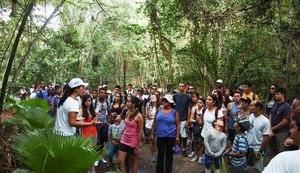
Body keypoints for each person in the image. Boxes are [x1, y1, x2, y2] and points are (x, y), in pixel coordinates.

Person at [150, 94, 180, 173]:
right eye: (163, 100)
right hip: (160, 136)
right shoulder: (159, 110)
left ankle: (168, 171)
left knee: (169, 155)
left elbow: (178, 125)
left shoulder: (174, 112)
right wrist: (152, 134)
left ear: (170, 102)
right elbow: (154, 122)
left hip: (170, 137)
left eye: (165, 100)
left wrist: (177, 137)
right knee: (160, 154)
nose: (163, 102)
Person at [117, 96, 144, 173]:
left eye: (129, 102)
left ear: (134, 104)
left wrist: (138, 146)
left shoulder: (139, 116)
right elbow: (126, 125)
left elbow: (140, 131)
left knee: (133, 162)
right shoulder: (127, 112)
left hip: (133, 142)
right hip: (124, 139)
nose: (126, 103)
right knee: (120, 161)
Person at [247, 100, 270, 172]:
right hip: (248, 147)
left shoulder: (265, 121)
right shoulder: (250, 116)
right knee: (248, 169)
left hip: (257, 149)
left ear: (258, 108)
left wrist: (260, 152)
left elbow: (266, 138)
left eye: (252, 105)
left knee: (257, 169)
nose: (249, 107)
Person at [78, 94, 98, 173]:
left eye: (89, 101)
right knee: (86, 153)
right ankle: (86, 169)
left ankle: (93, 170)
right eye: (86, 101)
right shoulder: (81, 110)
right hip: (85, 134)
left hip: (93, 133)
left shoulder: (93, 111)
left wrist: (96, 118)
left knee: (92, 152)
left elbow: (95, 122)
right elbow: (80, 123)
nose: (88, 102)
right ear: (83, 102)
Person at [269, 87, 291, 155]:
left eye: (278, 94)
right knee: (272, 149)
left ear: (283, 94)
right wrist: (270, 128)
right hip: (272, 131)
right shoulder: (275, 104)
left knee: (281, 151)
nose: (276, 96)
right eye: (275, 94)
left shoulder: (286, 106)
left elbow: (285, 121)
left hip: (282, 132)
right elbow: (270, 115)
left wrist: (273, 128)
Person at [173, 82, 192, 157]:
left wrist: (188, 120)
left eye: (182, 86)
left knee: (183, 135)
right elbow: (173, 107)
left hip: (184, 118)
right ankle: (176, 148)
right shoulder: (175, 96)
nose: (181, 87)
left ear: (185, 87)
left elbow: (189, 108)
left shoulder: (188, 97)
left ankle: (184, 149)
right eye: (179, 86)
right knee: (176, 134)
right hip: (175, 118)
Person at [94, 87, 111, 165]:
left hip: (104, 124)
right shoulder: (94, 102)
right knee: (97, 141)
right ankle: (95, 157)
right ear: (99, 93)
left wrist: (108, 122)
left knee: (102, 141)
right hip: (96, 124)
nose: (103, 94)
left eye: (104, 93)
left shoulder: (107, 102)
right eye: (101, 92)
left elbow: (110, 112)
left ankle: (100, 156)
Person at [189, 97, 206, 163]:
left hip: (202, 129)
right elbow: (190, 119)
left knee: (201, 143)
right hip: (195, 128)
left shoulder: (205, 110)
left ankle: (201, 157)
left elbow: (204, 121)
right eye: (198, 102)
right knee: (195, 143)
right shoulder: (195, 109)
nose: (199, 104)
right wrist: (195, 120)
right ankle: (196, 156)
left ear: (203, 104)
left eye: (200, 103)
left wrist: (201, 121)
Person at [145, 94, 160, 162]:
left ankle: (159, 154)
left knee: (159, 141)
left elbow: (160, 116)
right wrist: (154, 118)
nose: (153, 98)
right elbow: (148, 116)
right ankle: (153, 155)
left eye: (154, 97)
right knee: (152, 141)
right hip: (149, 125)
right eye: (152, 97)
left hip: (158, 126)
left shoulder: (160, 106)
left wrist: (153, 117)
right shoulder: (148, 105)